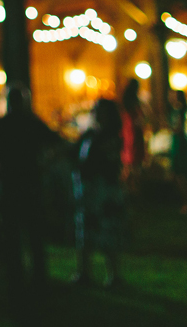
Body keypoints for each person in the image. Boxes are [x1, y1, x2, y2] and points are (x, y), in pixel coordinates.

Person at [0, 84, 60, 291]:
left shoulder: (2, 125)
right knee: (35, 234)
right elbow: (56, 142)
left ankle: (15, 279)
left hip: (9, 183)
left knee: (12, 234)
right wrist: (45, 164)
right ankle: (39, 279)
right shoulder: (32, 123)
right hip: (31, 182)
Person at [72, 98, 125, 288]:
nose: (96, 114)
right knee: (86, 230)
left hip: (104, 190)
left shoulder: (110, 137)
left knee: (107, 231)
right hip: (88, 189)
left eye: (100, 111)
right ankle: (84, 272)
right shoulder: (90, 134)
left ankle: (113, 275)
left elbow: (107, 163)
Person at [168, 90, 187, 214]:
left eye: (172, 96)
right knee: (179, 174)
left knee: (180, 174)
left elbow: (178, 128)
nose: (170, 97)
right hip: (177, 142)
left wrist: (169, 128)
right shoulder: (176, 110)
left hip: (179, 143)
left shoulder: (179, 110)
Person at [119, 79, 146, 188]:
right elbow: (140, 117)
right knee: (134, 162)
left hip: (127, 130)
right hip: (134, 131)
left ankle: (128, 186)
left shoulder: (124, 100)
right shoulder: (134, 101)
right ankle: (133, 186)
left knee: (128, 162)